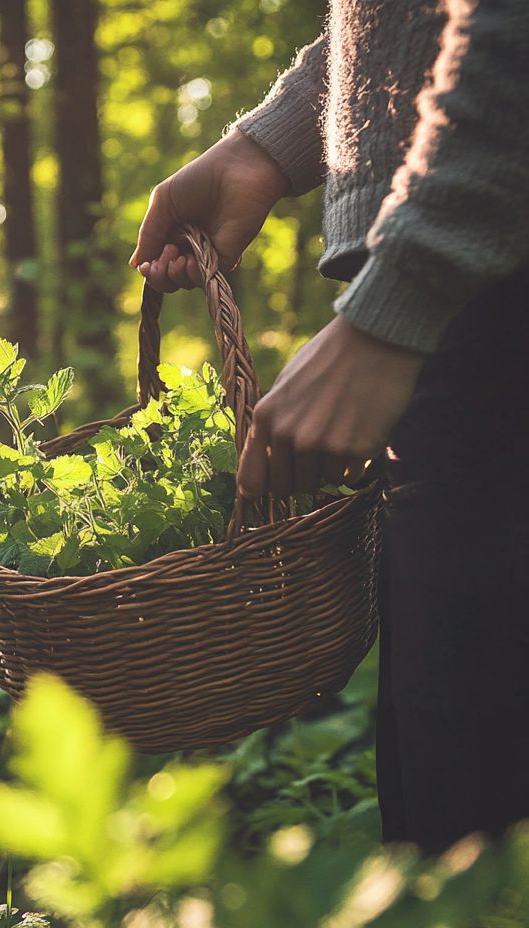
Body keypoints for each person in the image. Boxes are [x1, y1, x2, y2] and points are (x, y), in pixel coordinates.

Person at [131, 0, 529, 853]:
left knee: (476, 852)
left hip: (491, 294)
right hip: (456, 307)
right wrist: (270, 144)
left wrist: (403, 297)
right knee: (448, 823)